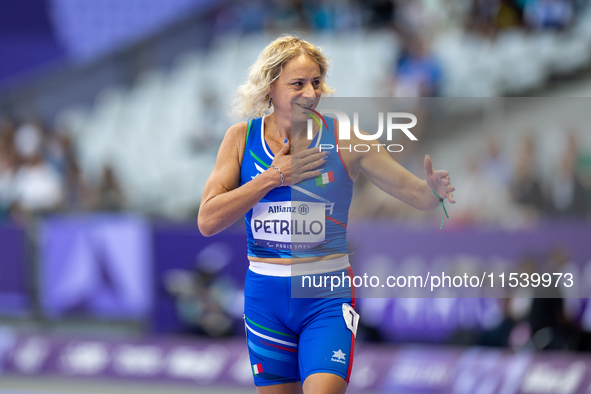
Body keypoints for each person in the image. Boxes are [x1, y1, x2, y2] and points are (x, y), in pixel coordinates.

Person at [198, 35, 455, 394]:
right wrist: (275, 176)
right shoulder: (241, 138)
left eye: (316, 82)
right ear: (271, 87)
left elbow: (414, 192)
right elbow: (208, 220)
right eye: (297, 84)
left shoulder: (346, 140)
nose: (310, 92)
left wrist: (433, 192)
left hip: (325, 296)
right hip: (265, 298)